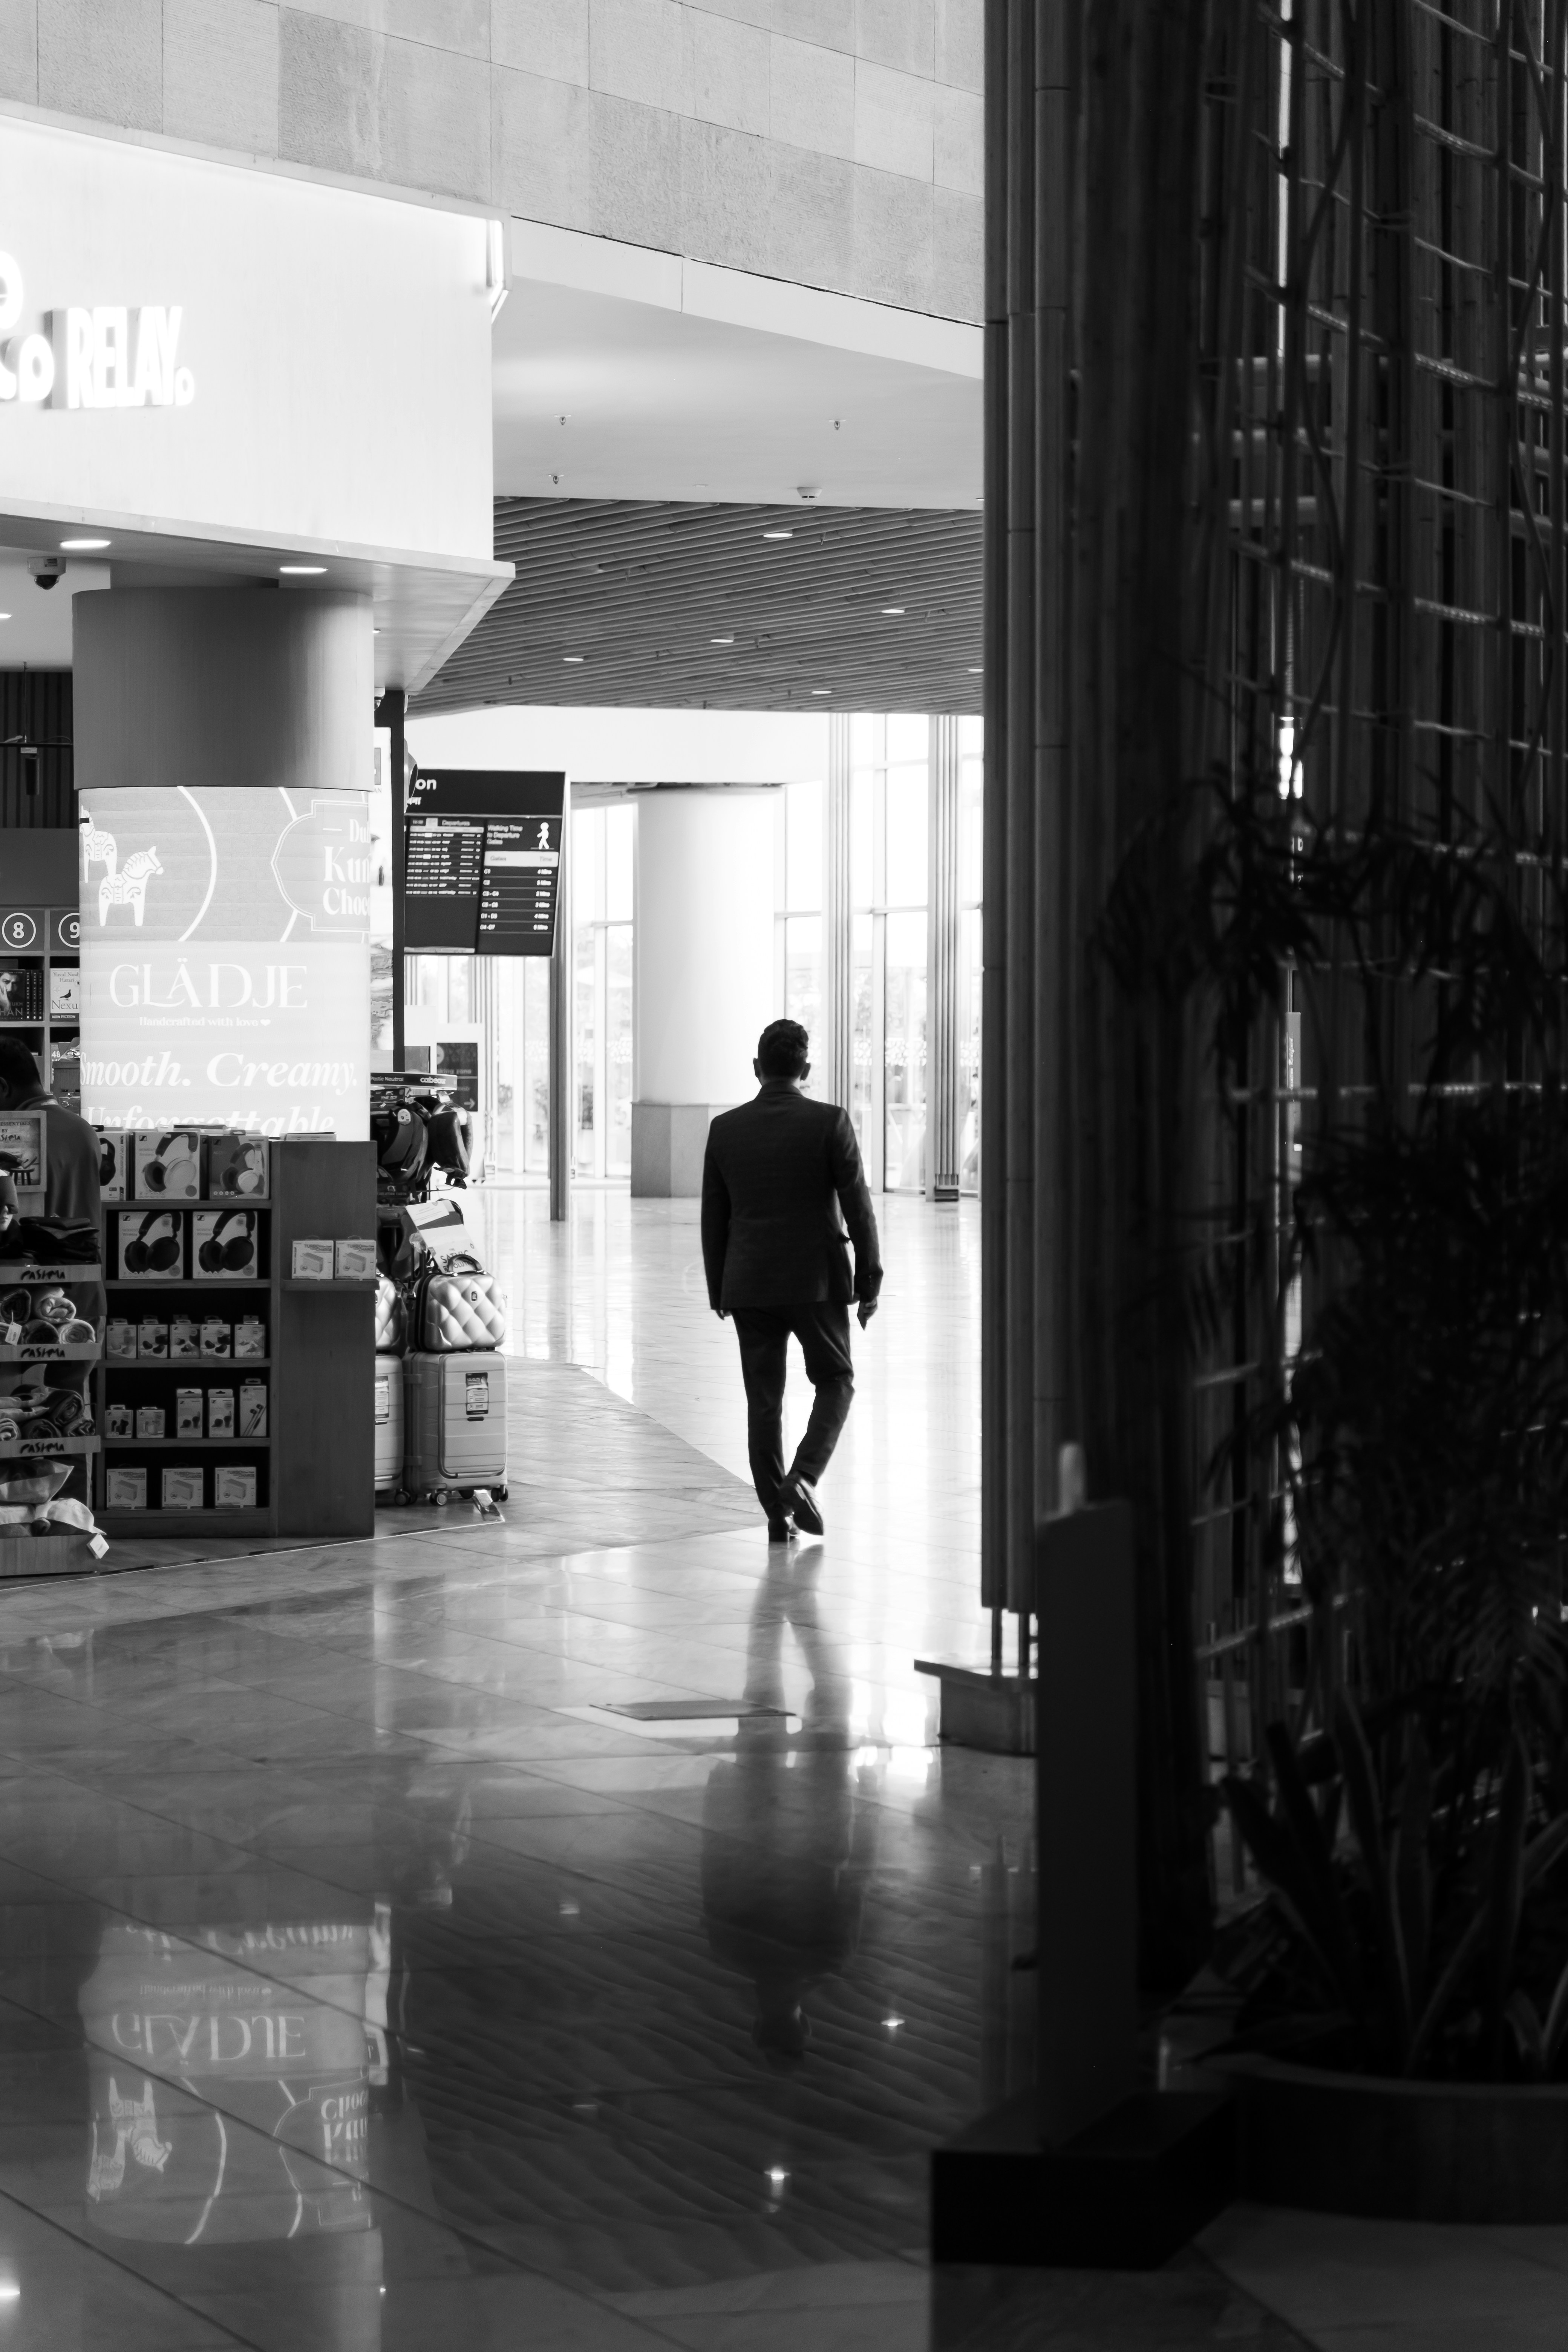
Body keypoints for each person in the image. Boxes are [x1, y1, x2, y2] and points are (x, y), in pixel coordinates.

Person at [701, 1019, 882, 1541]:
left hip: (750, 1280)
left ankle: (777, 1511)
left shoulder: (726, 1129)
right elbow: (860, 1210)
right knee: (837, 1379)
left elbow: (715, 1216)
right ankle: (802, 1479)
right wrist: (868, 1283)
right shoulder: (830, 1122)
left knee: (764, 1400)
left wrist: (720, 1287)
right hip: (816, 1282)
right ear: (805, 1069)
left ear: (758, 1069)